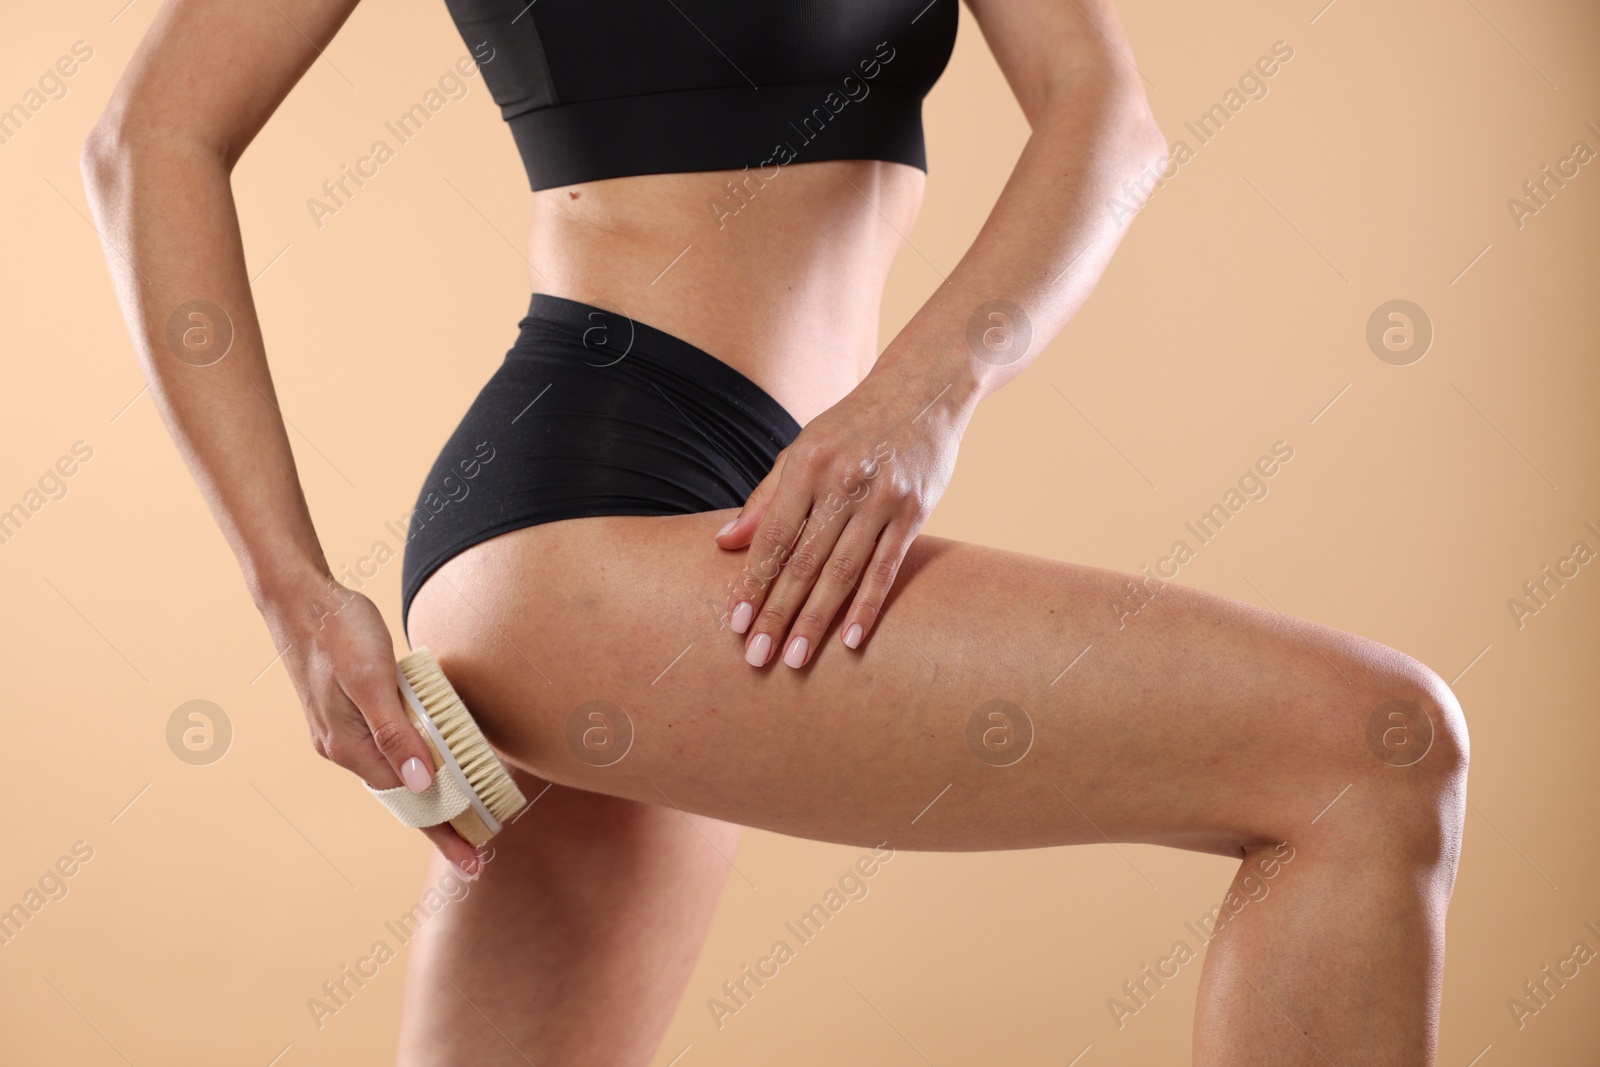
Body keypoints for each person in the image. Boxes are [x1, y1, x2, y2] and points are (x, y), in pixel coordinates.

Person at [82, 0, 1468, 1063]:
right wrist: (288, 589)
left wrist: (927, 397)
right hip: (590, 511)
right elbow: (151, 139)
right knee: (1368, 748)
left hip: (757, 515)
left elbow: (1106, 115)